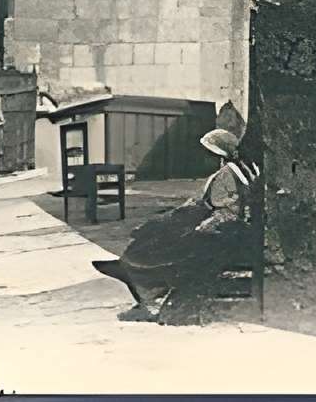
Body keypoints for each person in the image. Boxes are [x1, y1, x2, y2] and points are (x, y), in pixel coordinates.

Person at [92, 121, 252, 320]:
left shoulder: (227, 175)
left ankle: (144, 288)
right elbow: (212, 202)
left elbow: (229, 212)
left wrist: (201, 227)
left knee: (162, 244)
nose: (204, 157)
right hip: (218, 224)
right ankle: (132, 271)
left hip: (223, 232)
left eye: (208, 152)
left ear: (219, 154)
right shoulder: (231, 171)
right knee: (156, 229)